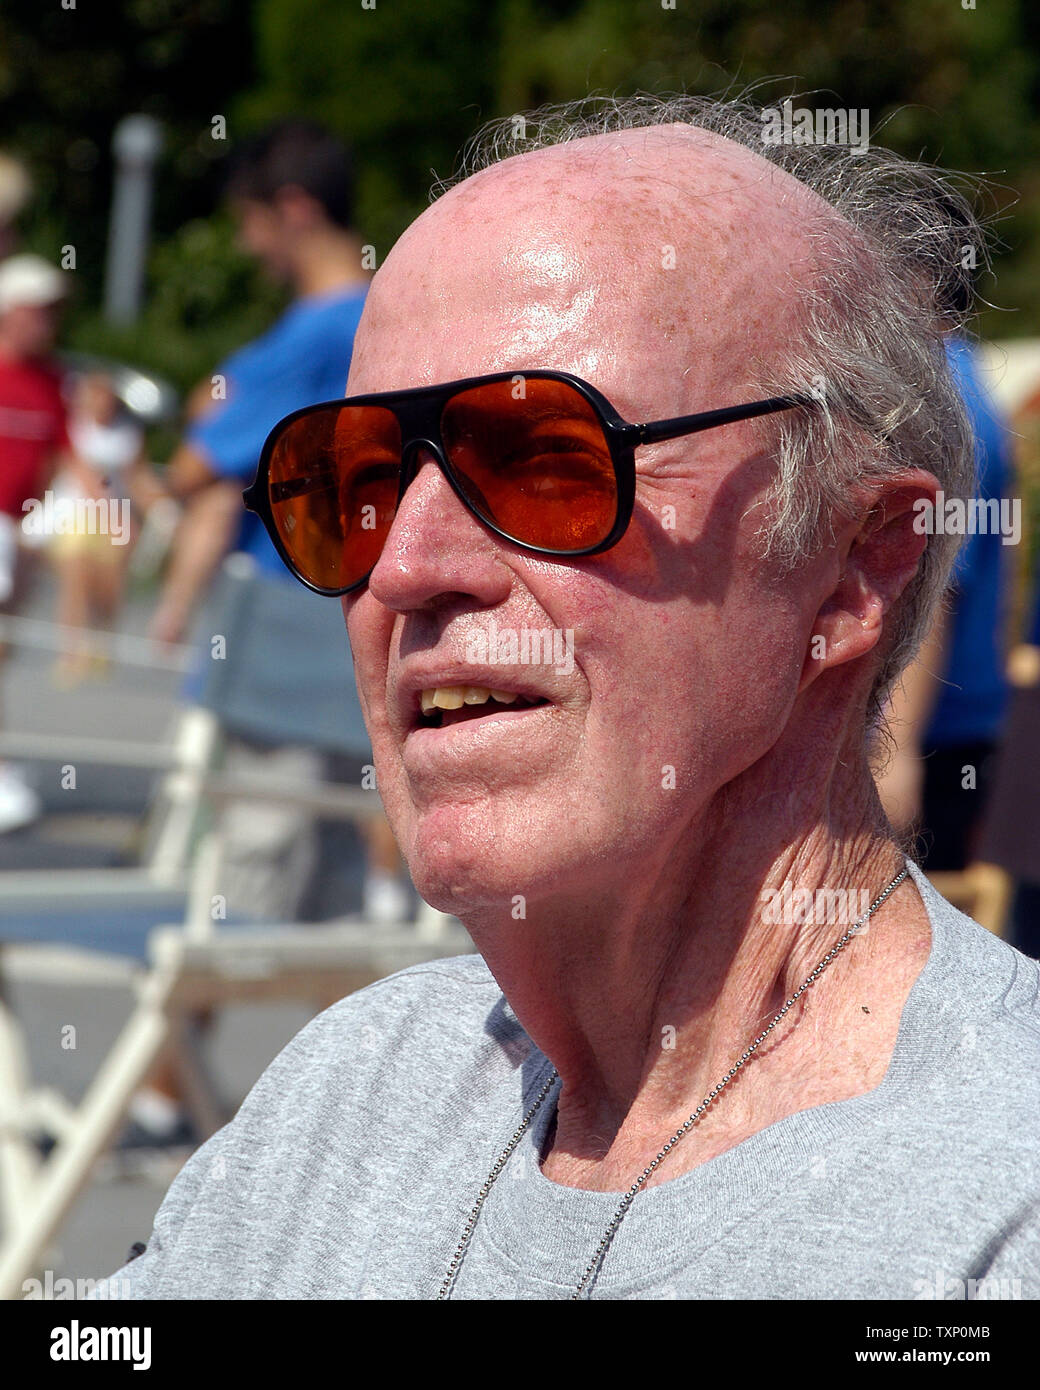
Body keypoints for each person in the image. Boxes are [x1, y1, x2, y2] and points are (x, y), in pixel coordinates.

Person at [97, 93, 1040, 1300]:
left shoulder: (991, 1215)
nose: (407, 565)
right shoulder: (350, 1090)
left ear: (854, 561)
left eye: (546, 458)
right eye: (358, 478)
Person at [0, 253, 84, 831]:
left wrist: (41, 531)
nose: (49, 323)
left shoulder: (54, 382)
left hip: (15, 536)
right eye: (39, 311)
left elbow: (65, 458)